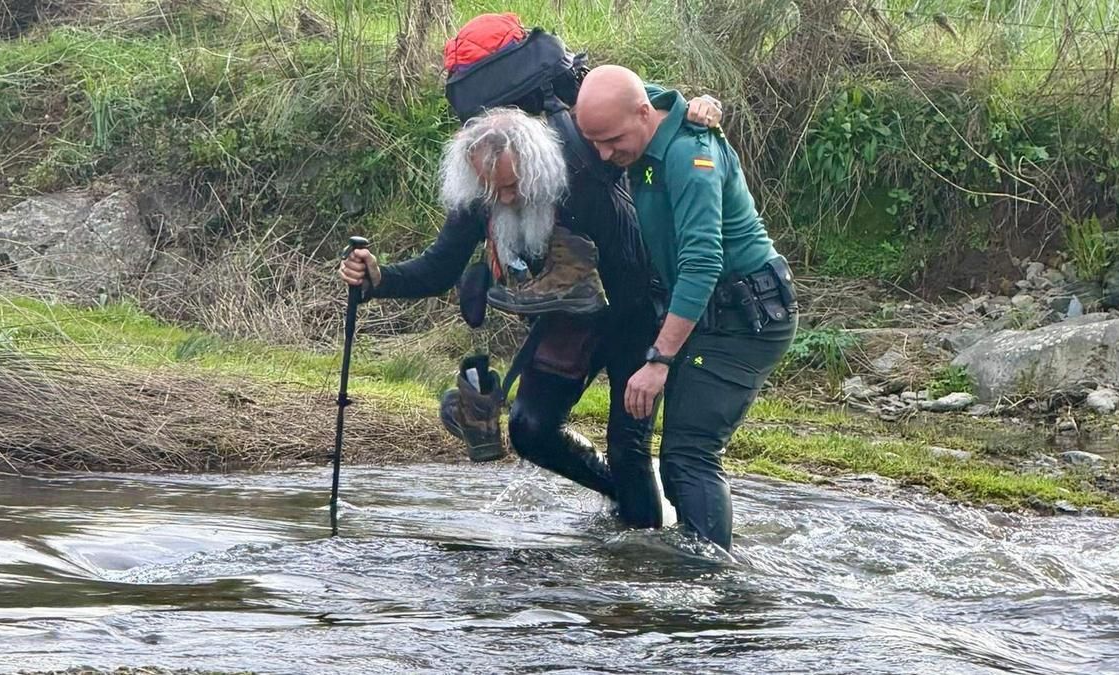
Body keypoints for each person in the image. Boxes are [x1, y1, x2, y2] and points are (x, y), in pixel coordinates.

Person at [339, 57, 722, 529]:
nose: (503, 199)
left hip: (636, 315)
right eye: (491, 188)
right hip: (567, 318)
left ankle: (640, 541)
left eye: (512, 187)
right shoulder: (483, 191)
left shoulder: (589, 179)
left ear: (537, 169)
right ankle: (627, 506)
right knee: (530, 430)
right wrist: (380, 279)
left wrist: (696, 110)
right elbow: (439, 269)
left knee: (630, 449)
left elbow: (642, 119)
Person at [573, 65, 799, 553]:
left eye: (612, 141)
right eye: (594, 143)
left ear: (641, 114)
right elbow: (646, 94)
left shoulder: (690, 156)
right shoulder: (643, 115)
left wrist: (658, 361)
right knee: (679, 458)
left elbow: (702, 263)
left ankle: (708, 585)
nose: (605, 155)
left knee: (690, 455)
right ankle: (690, 555)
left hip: (746, 317)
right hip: (705, 311)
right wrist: (702, 99)